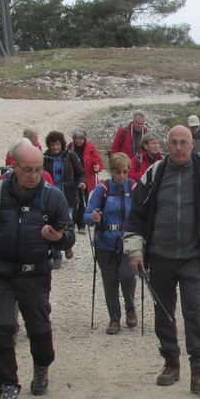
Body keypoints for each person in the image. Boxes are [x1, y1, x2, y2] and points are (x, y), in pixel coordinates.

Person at [0, 140, 74, 399]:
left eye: (38, 170)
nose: (33, 175)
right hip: (1, 274)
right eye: (28, 169)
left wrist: (59, 238)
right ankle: (7, 388)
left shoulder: (53, 197)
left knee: (38, 329)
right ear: (14, 167)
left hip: (35, 274)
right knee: (2, 328)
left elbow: (69, 237)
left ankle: (41, 365)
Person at [126, 126, 200, 393]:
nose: (178, 147)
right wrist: (135, 251)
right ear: (166, 145)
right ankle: (170, 363)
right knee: (163, 313)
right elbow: (136, 215)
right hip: (159, 256)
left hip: (192, 257)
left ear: (192, 144)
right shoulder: (154, 174)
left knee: (194, 312)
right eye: (173, 142)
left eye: (183, 142)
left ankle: (199, 370)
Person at [88, 152, 137, 334]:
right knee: (109, 281)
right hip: (105, 243)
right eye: (117, 172)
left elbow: (142, 213)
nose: (121, 176)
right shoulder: (102, 190)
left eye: (124, 172)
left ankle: (130, 308)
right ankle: (114, 319)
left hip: (128, 241)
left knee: (127, 275)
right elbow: (87, 215)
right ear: (111, 171)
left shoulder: (133, 188)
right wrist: (93, 217)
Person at [43, 131, 85, 267]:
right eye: (52, 144)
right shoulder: (44, 158)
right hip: (51, 196)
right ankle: (56, 255)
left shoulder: (70, 156)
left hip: (68, 194)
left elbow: (80, 173)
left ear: (62, 144)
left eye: (57, 144)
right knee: (53, 223)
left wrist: (82, 182)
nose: (54, 147)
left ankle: (67, 243)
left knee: (67, 222)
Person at [71, 128, 103, 233]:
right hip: (73, 178)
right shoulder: (69, 148)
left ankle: (81, 225)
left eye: (80, 138)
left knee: (84, 201)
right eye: (76, 138)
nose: (78, 140)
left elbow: (98, 161)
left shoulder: (90, 148)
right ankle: (73, 223)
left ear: (85, 139)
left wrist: (97, 166)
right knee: (74, 201)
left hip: (87, 178)